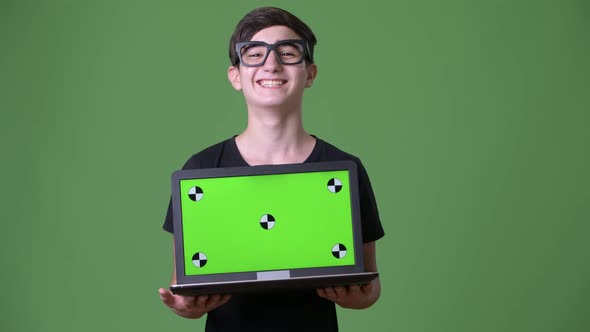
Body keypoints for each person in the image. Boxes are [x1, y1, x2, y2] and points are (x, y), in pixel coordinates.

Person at [158, 6, 385, 331]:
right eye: (254, 54)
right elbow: (184, 285)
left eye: (288, 53)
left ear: (310, 73)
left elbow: (370, 283)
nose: (272, 64)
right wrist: (186, 306)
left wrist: (358, 297)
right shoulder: (203, 169)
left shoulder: (343, 169)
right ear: (235, 76)